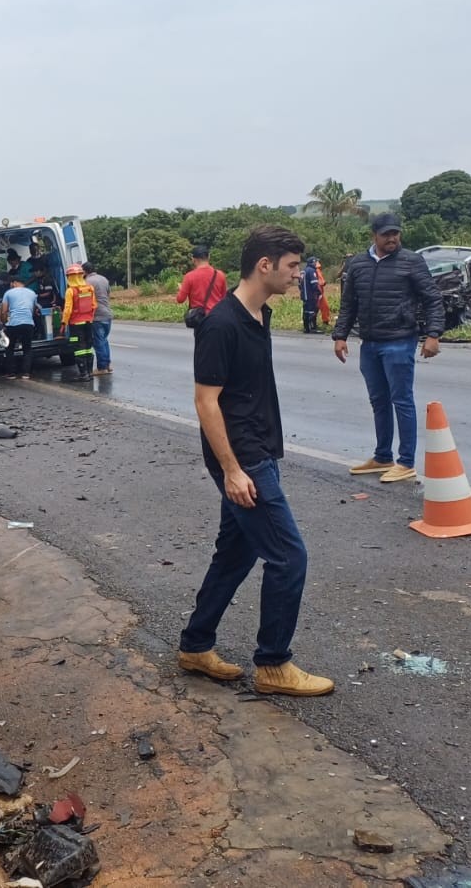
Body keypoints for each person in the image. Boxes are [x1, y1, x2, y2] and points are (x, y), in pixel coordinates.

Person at [179, 225, 332, 697]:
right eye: (291, 266)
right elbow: (207, 401)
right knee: (289, 557)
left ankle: (196, 645)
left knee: (237, 552)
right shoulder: (221, 324)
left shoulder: (258, 315)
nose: (298, 275)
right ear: (264, 265)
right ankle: (273, 663)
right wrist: (231, 470)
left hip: (258, 449)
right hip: (244, 459)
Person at [332, 212, 444, 485]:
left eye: (396, 233)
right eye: (386, 234)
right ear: (375, 236)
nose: (392, 238)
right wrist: (340, 335)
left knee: (402, 400)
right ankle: (383, 456)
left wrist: (433, 335)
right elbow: (349, 305)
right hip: (369, 344)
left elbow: (432, 299)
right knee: (378, 401)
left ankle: (406, 462)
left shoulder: (411, 262)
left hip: (399, 341)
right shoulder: (357, 264)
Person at [0, 273, 41, 379]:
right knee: (27, 348)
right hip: (28, 323)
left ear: (14, 283)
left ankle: (11, 373)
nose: (10, 285)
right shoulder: (32, 293)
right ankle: (26, 373)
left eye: (11, 283)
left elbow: (4, 311)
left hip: (13, 324)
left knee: (10, 348)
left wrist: (3, 323)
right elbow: (33, 310)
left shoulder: (8, 293)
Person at [63, 264, 96, 379]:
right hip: (88, 322)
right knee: (88, 347)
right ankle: (90, 373)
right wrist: (90, 318)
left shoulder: (70, 291)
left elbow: (67, 309)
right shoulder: (90, 288)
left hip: (76, 324)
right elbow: (94, 305)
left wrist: (64, 323)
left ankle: (83, 374)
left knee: (78, 348)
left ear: (69, 277)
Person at [175, 245, 228, 315]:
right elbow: (224, 298)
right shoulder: (220, 275)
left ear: (193, 259)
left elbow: (180, 300)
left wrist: (181, 289)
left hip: (199, 318)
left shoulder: (189, 276)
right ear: (209, 257)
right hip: (216, 317)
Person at [84, 262, 113, 375]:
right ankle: (108, 364)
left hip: (97, 316)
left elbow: (86, 300)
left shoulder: (87, 282)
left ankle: (102, 367)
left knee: (98, 342)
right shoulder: (104, 279)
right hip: (107, 314)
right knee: (104, 340)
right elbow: (108, 294)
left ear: (85, 272)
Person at [299, 257, 323, 333]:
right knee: (312, 311)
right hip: (311, 295)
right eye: (316, 262)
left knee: (306, 311)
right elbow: (314, 284)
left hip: (304, 295)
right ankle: (313, 328)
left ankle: (306, 328)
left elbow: (299, 284)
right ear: (313, 262)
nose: (317, 263)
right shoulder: (312, 271)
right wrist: (319, 293)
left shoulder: (303, 272)